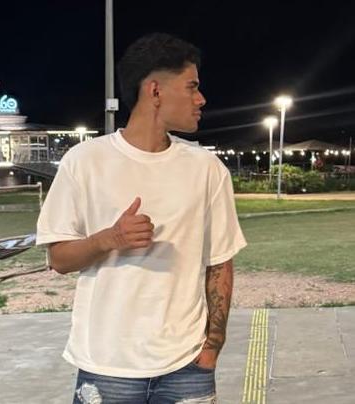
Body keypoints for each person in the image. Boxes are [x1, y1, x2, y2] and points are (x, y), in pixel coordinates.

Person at [37, 32, 246, 404]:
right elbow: (58, 259)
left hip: (186, 368)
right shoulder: (84, 162)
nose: (201, 99)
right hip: (106, 366)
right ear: (155, 91)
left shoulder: (207, 169)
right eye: (192, 87)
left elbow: (220, 263)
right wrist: (108, 239)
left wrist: (212, 348)